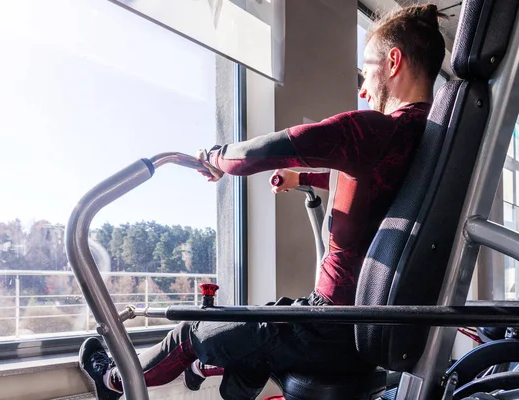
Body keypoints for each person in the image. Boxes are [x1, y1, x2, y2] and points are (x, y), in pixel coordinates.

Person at [79, 4, 447, 400]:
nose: (362, 88)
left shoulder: (377, 131)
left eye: (366, 72)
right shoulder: (427, 143)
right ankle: (212, 365)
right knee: (262, 327)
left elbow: (269, 149)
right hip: (358, 331)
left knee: (193, 329)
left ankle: (113, 379)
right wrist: (302, 177)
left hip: (328, 327)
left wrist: (214, 158)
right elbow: (379, 185)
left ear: (393, 61)